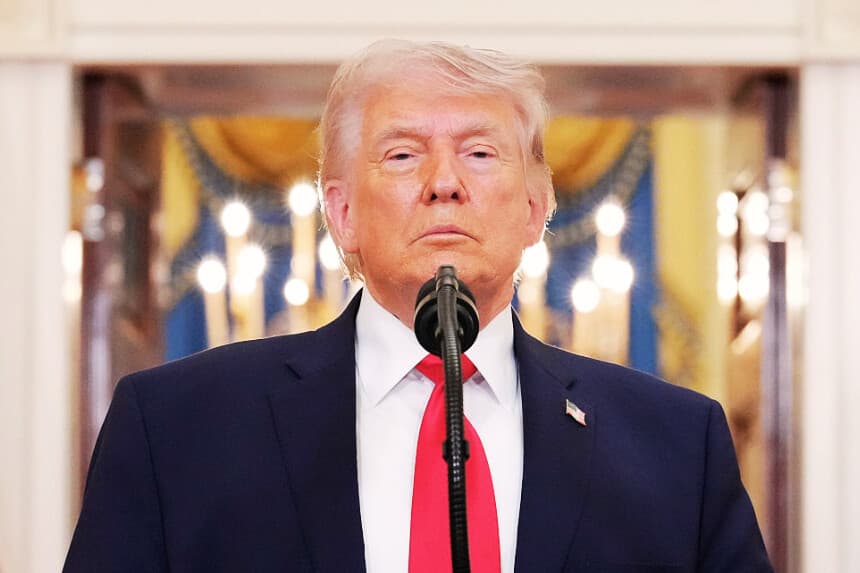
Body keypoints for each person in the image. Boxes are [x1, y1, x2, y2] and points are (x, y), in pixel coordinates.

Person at [64, 40, 773, 573]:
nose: (444, 182)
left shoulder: (679, 448)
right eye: (403, 155)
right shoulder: (174, 431)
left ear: (535, 208)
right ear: (340, 213)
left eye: (482, 154)